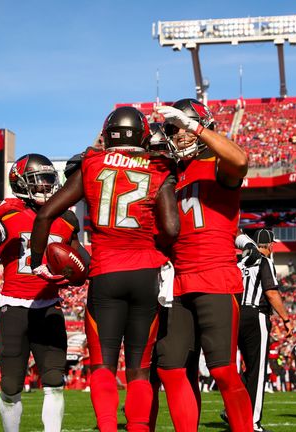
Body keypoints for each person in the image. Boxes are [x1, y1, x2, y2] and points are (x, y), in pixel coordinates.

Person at [30, 106, 179, 432]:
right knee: (139, 369)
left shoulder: (92, 163)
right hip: (144, 273)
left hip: (106, 273)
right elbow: (171, 228)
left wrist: (36, 261)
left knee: (102, 366)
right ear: (143, 134)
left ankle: (109, 428)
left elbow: (44, 216)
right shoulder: (157, 169)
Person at [153, 98, 253, 432]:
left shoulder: (216, 163)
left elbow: (240, 160)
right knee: (171, 367)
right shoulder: (173, 175)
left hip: (215, 278)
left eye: (185, 127)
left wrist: (193, 125)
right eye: (174, 129)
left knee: (223, 370)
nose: (180, 135)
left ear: (203, 125)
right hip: (180, 283)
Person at [0, 153, 84, 432]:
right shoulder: (7, 214)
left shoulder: (66, 218)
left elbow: (81, 264)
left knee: (55, 381)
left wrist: (73, 276)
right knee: (10, 386)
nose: (45, 186)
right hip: (14, 306)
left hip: (49, 306)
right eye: (38, 180)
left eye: (48, 180)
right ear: (20, 182)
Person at [226, 229, 293, 432]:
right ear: (270, 245)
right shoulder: (265, 262)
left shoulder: (239, 263)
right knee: (257, 370)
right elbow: (271, 293)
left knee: (242, 370)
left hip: (235, 315)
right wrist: (286, 318)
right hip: (256, 316)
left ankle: (233, 412)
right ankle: (252, 423)